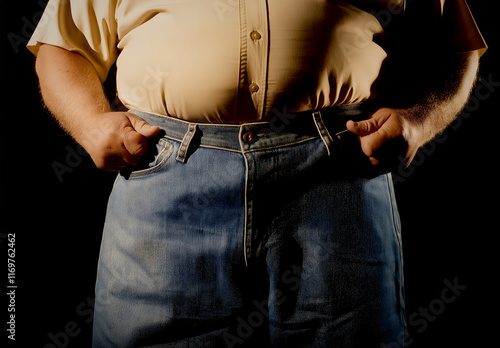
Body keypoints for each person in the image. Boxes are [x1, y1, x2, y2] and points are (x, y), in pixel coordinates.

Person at [28, 0, 486, 347]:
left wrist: (421, 120)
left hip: (339, 169)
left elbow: (456, 43)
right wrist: (89, 123)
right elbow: (62, 45)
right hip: (164, 172)